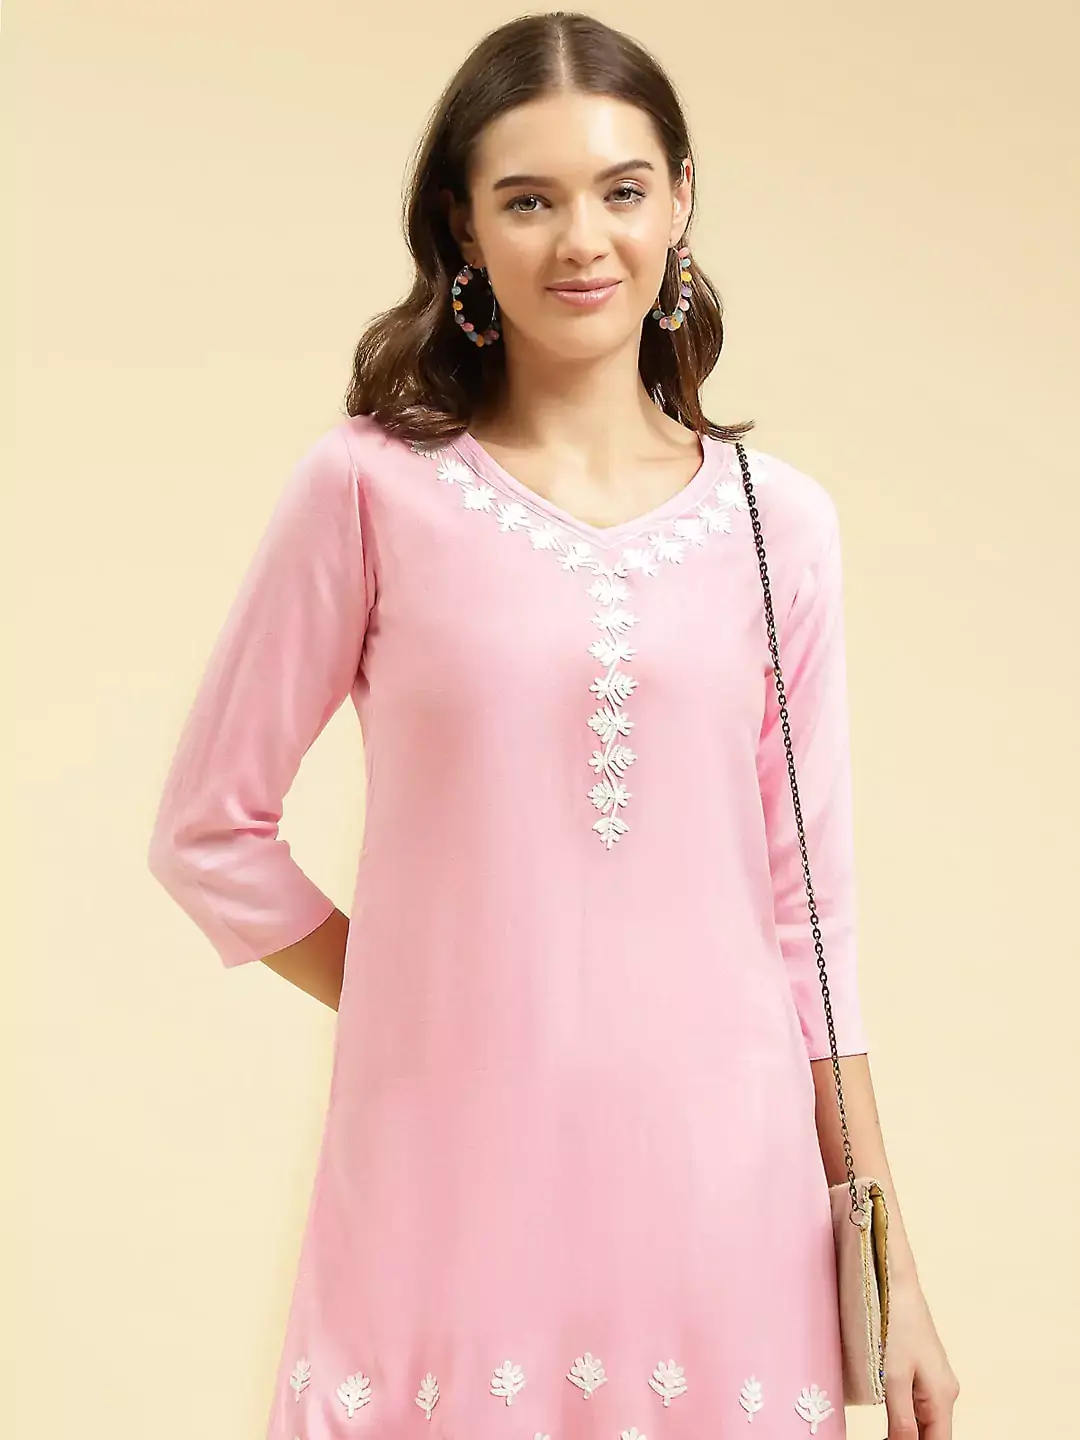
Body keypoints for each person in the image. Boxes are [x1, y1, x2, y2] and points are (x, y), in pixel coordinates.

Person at [147, 13, 959, 1440]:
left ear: (680, 200)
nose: (583, 240)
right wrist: (421, 995)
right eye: (528, 199)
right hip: (450, 1176)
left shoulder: (780, 526)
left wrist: (889, 1267)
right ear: (463, 225)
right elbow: (209, 831)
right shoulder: (368, 491)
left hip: (729, 1195)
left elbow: (812, 920)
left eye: (621, 189)